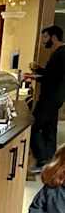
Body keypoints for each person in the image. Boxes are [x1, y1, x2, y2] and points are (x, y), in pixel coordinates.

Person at [30, 25, 65, 171]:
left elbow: (51, 78)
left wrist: (36, 76)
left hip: (49, 98)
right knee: (49, 129)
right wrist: (39, 70)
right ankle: (50, 161)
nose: (43, 41)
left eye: (45, 37)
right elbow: (52, 74)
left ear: (54, 37)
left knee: (33, 126)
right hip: (56, 98)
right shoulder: (60, 53)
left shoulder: (60, 54)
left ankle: (42, 159)